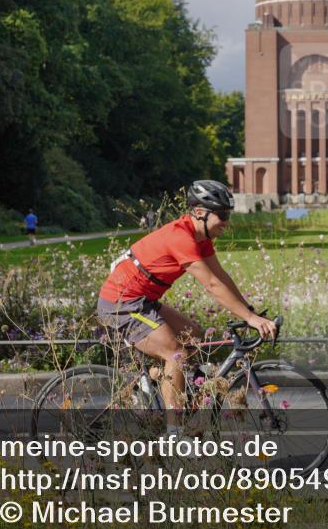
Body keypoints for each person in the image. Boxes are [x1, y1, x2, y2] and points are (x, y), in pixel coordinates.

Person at [96, 180, 276, 438]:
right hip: (120, 304)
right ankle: (175, 434)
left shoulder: (200, 237)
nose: (227, 221)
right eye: (222, 215)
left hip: (143, 300)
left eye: (229, 215)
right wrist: (249, 318)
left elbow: (221, 275)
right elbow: (212, 285)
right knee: (176, 354)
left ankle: (157, 380)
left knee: (192, 334)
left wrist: (251, 312)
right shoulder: (180, 237)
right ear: (200, 213)